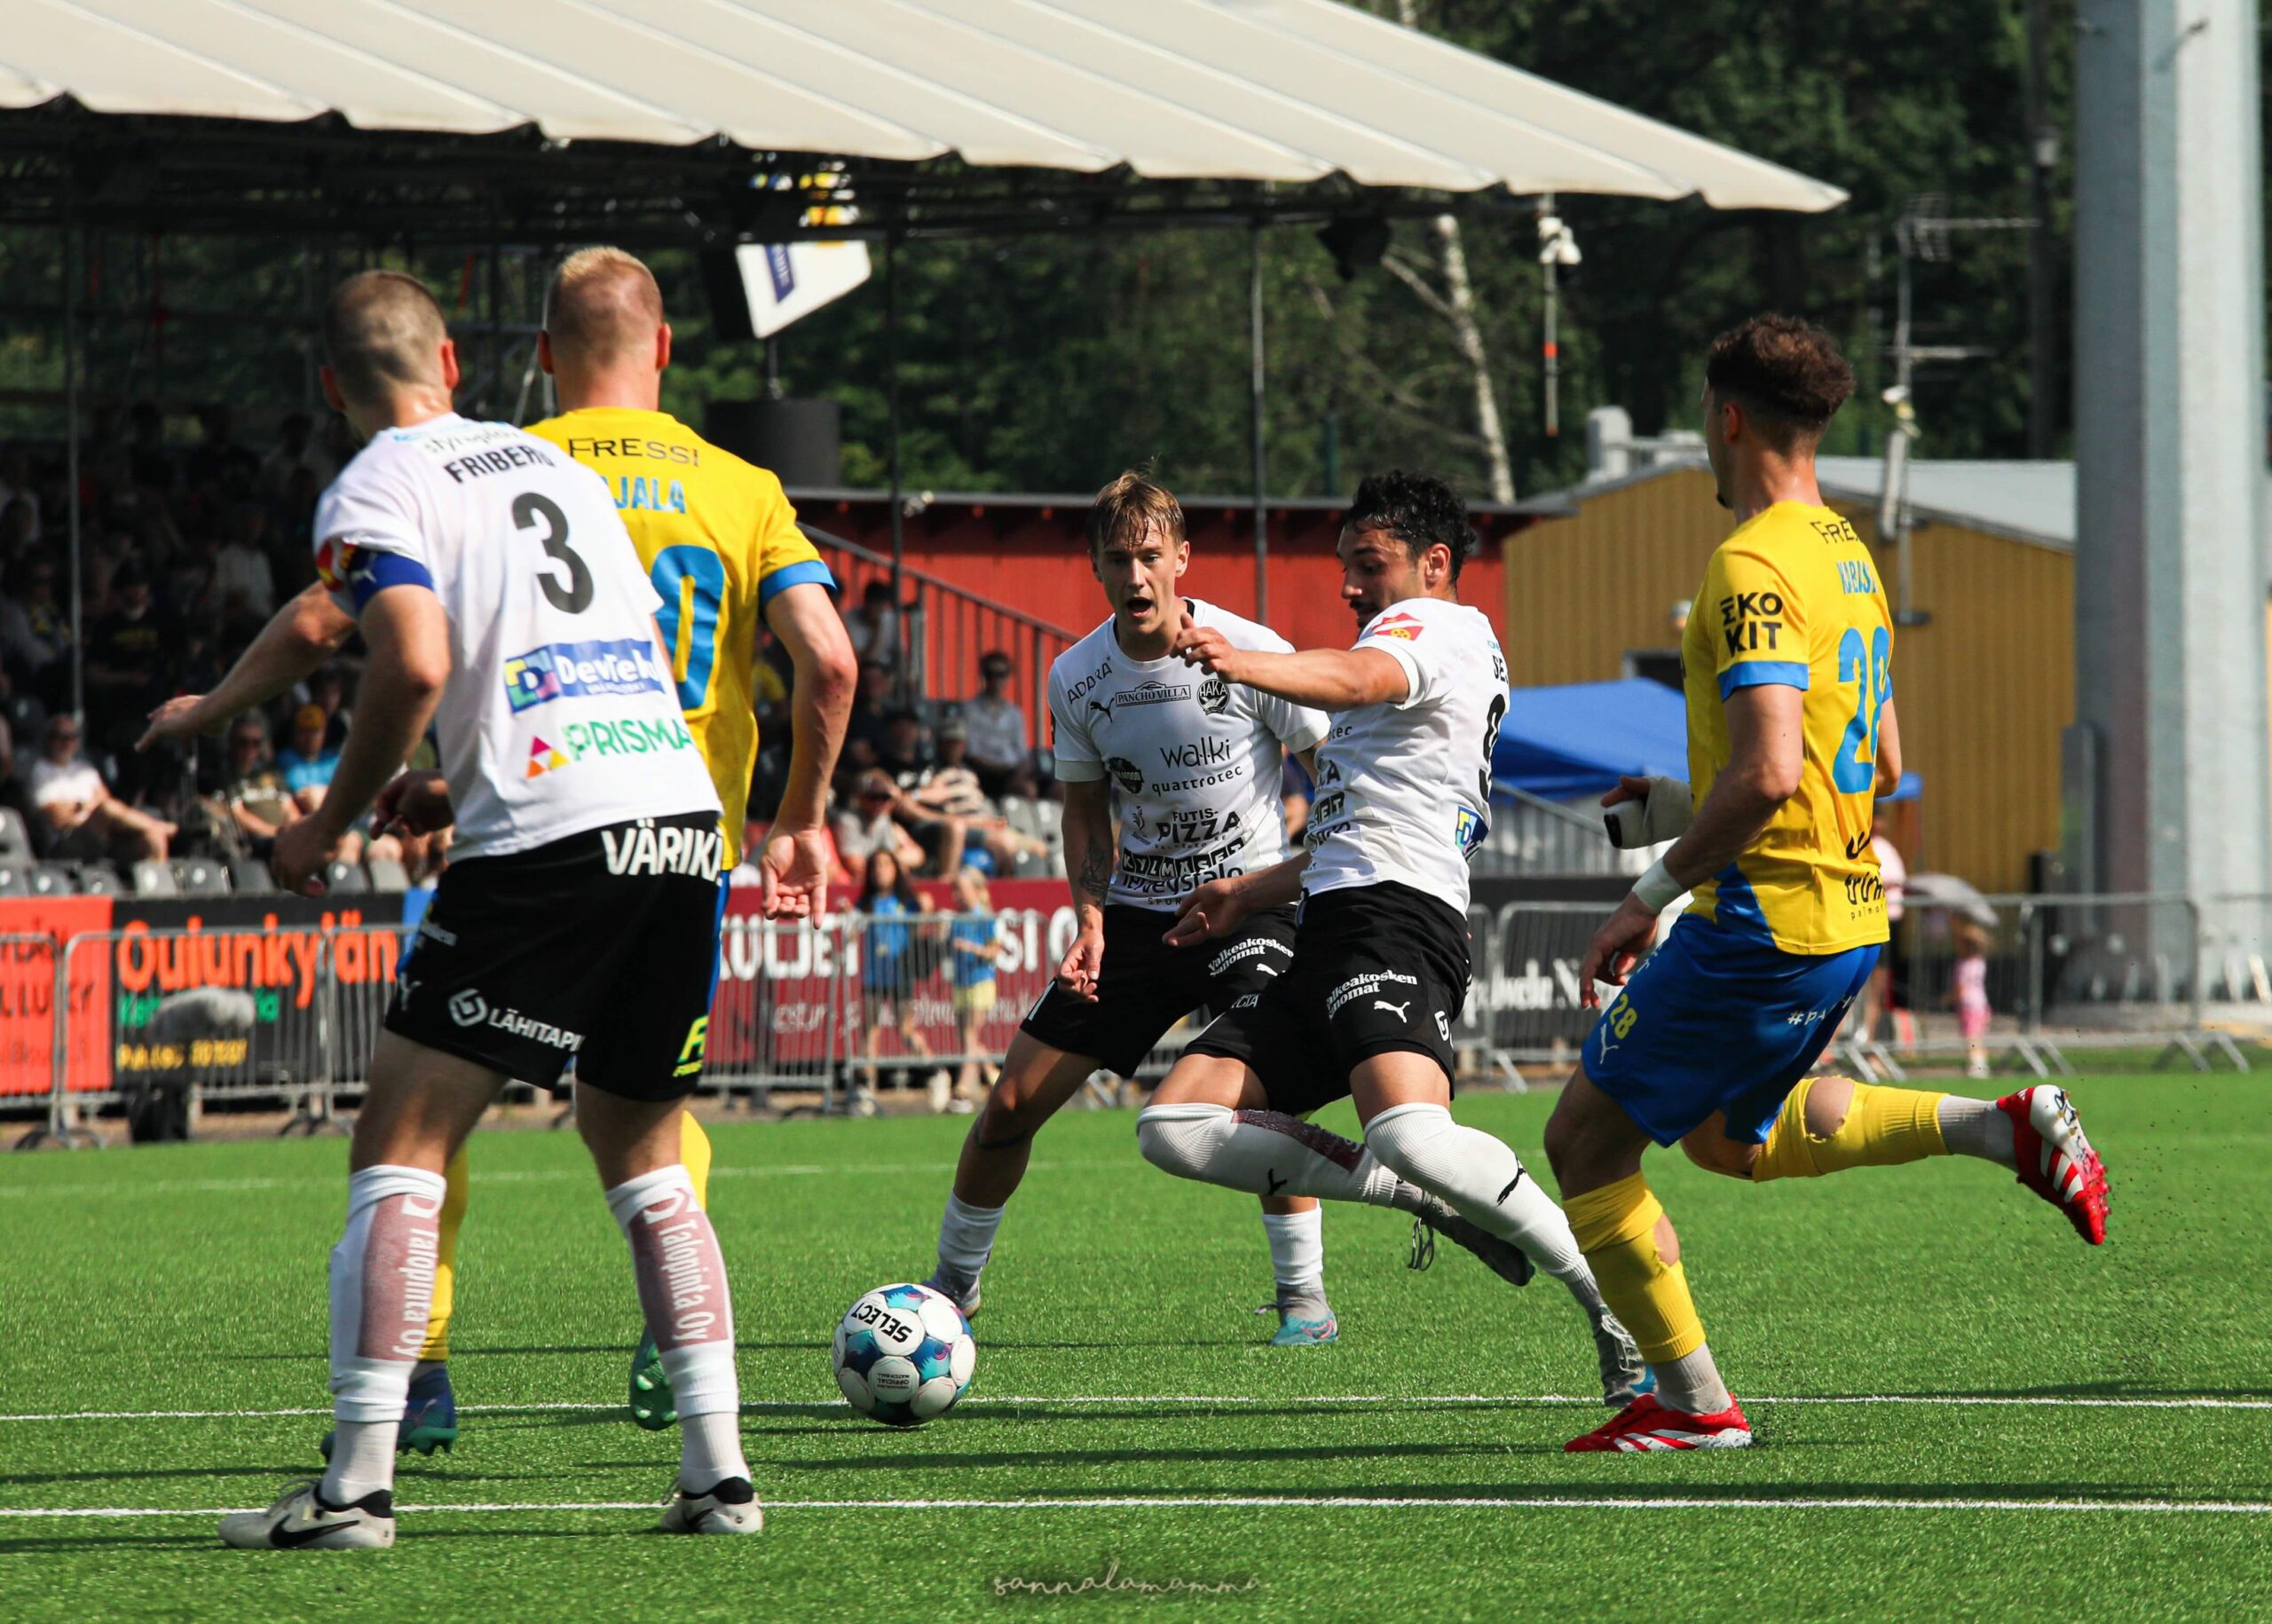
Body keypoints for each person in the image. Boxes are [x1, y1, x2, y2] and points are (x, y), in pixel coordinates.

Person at [146, 246, 856, 1450]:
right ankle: (714, 1451)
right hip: (683, 819)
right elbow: (824, 661)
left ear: (533, 355)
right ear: (664, 346)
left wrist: (279, 759)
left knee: (413, 1126)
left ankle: (389, 1423)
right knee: (648, 1143)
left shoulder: (468, 463)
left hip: (539, 819)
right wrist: (799, 820)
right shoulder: (723, 483)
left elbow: (381, 639)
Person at [1540, 316, 2109, 1454]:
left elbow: (1768, 774)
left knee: (1584, 1146)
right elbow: (1879, 763)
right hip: (1845, 916)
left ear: (1727, 418)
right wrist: (1685, 801)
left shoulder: (1751, 563)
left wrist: (1646, 892)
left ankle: (1694, 1406)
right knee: (1725, 1139)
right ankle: (2002, 1130)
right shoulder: (1850, 555)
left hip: (1763, 921)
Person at [920, 471, 1525, 1348]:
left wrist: (1359, 877)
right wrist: (1089, 917)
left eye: (1150, 556)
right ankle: (950, 1291)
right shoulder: (1076, 677)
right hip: (1140, 916)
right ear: (1095, 567)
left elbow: (1341, 767)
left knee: (1256, 1097)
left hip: (1250, 909)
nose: (1135, 575)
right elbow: (1084, 811)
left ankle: (1304, 1300)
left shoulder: (1249, 651)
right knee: (1011, 1102)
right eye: (1118, 559)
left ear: (1182, 559)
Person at [1128, 470, 1645, 1402]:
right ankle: (1408, 1192)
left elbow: (1358, 676)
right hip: (1332, 920)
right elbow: (1355, 825)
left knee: (1410, 1128)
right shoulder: (1427, 644)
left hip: (1396, 921)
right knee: (1174, 1127)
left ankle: (1611, 1302)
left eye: (1369, 564)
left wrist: (1242, 662)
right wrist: (1249, 891)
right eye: (1347, 566)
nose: (1351, 585)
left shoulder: (1436, 626)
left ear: (1433, 564)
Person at [28, 713, 173, 863]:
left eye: (72, 737)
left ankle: (157, 850)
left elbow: (107, 803)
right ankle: (157, 825)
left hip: (103, 837)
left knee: (153, 838)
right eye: (60, 736)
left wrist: (80, 807)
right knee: (107, 809)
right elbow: (58, 818)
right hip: (66, 841)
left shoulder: (85, 770)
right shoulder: (40, 770)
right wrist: (89, 806)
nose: (66, 743)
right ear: (49, 739)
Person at [856, 847, 933, 1096]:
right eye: (876, 866)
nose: (880, 871)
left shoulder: (906, 901)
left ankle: (934, 1070)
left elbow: (920, 927)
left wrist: (925, 911)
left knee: (905, 1029)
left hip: (901, 974)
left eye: (885, 865)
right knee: (870, 1031)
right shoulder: (866, 903)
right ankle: (867, 1087)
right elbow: (851, 931)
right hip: (874, 975)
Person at [945, 864, 1008, 1111]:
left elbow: (994, 951)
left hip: (980, 981)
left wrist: (971, 948)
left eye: (960, 890)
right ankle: (994, 1077)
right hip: (961, 982)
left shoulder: (985, 917)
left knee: (970, 1036)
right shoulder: (957, 919)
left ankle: (963, 1091)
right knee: (969, 1039)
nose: (956, 895)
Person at [960, 650, 1029, 795]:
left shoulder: (1015, 714)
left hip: (1009, 773)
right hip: (979, 771)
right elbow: (969, 751)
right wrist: (994, 768)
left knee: (1029, 789)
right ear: (983, 676)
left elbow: (1021, 753)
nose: (995, 680)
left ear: (1007, 677)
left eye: (1000, 674)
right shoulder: (969, 710)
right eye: (990, 674)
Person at [1950, 916, 1992, 1079]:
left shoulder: (1964, 965)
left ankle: (1977, 1066)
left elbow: (1960, 987)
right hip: (1981, 1003)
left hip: (1969, 1004)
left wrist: (1949, 998)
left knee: (1971, 1037)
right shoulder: (1980, 962)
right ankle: (1981, 1064)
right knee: (1978, 1037)